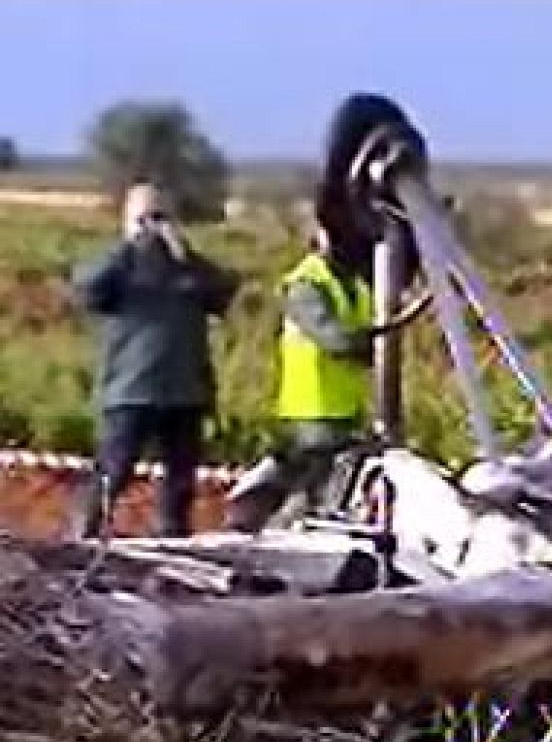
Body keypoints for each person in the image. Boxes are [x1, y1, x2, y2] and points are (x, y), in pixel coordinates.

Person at [70, 181, 239, 538]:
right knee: (112, 473)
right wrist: (129, 245)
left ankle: (173, 544)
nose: (153, 226)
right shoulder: (118, 265)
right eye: (144, 217)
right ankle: (83, 539)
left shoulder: (187, 267)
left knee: (180, 482)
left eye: (160, 216)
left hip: (185, 390)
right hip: (131, 388)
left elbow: (223, 293)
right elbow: (87, 291)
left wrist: (185, 253)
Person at [222, 222, 379, 531]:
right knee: (312, 488)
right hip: (313, 407)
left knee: (334, 486)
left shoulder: (354, 285)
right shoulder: (306, 284)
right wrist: (364, 342)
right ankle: (271, 530)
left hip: (345, 405)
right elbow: (337, 341)